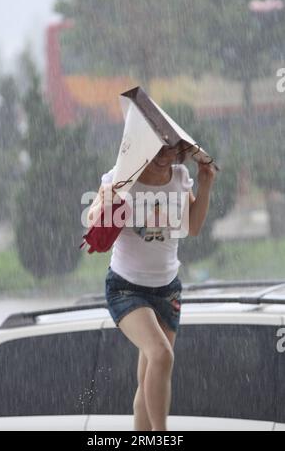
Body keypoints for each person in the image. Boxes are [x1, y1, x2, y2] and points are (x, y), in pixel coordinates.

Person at [87, 145, 216, 431]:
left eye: (171, 151)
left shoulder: (180, 177)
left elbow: (192, 227)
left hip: (167, 290)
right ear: (143, 145)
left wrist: (205, 182)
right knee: (161, 354)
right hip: (126, 287)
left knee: (148, 382)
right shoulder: (122, 176)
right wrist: (106, 199)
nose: (164, 158)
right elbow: (93, 220)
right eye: (157, 150)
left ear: (179, 151)